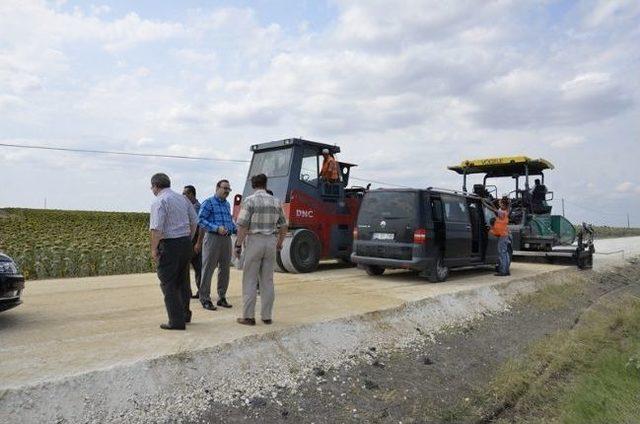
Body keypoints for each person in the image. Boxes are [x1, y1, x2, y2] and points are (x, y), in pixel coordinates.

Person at [234, 174, 287, 326]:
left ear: (253, 184)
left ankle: (249, 317)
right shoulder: (276, 201)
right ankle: (267, 316)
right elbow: (283, 226)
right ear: (266, 184)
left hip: (255, 241)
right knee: (267, 280)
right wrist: (280, 242)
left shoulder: (250, 201)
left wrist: (238, 244)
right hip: (270, 240)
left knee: (250, 279)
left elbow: (242, 225)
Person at [149, 173, 198, 330]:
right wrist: (188, 239)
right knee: (183, 281)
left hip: (170, 244)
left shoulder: (160, 201)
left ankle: (176, 321)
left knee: (168, 283)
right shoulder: (182, 199)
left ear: (156, 186)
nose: (152, 190)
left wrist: (154, 249)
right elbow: (194, 221)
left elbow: (156, 229)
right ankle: (185, 314)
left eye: (152, 187)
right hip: (185, 243)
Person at [195, 179, 236, 310]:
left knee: (225, 269)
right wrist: (216, 228)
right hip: (213, 238)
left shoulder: (227, 204)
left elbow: (229, 221)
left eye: (229, 189)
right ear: (217, 188)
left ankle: (222, 297)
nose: (227, 191)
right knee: (208, 269)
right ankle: (205, 298)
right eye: (225, 188)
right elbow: (200, 220)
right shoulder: (208, 203)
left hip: (226, 240)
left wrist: (235, 229)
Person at [182, 185, 202, 299]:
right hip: (187, 239)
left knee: (199, 267)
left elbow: (200, 225)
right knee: (185, 268)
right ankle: (187, 292)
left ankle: (201, 291)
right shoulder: (184, 207)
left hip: (196, 239)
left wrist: (198, 242)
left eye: (185, 193)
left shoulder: (199, 207)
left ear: (191, 194)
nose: (183, 196)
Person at [491, 197, 511, 277]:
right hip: (505, 234)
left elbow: (493, 209)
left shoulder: (502, 213)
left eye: (501, 204)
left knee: (502, 253)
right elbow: (495, 209)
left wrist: (484, 202)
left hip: (502, 235)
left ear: (504, 205)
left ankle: (503, 271)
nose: (500, 204)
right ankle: (506, 270)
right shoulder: (506, 211)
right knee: (505, 253)